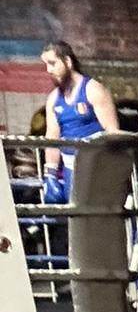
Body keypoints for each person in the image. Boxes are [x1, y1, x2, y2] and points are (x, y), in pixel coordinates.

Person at [40, 39, 120, 201]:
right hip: (70, 168)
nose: (49, 70)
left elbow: (113, 132)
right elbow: (52, 137)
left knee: (97, 212)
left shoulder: (93, 90)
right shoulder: (54, 99)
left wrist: (112, 170)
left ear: (67, 61)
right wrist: (50, 174)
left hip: (97, 167)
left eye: (52, 63)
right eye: (46, 65)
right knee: (73, 213)